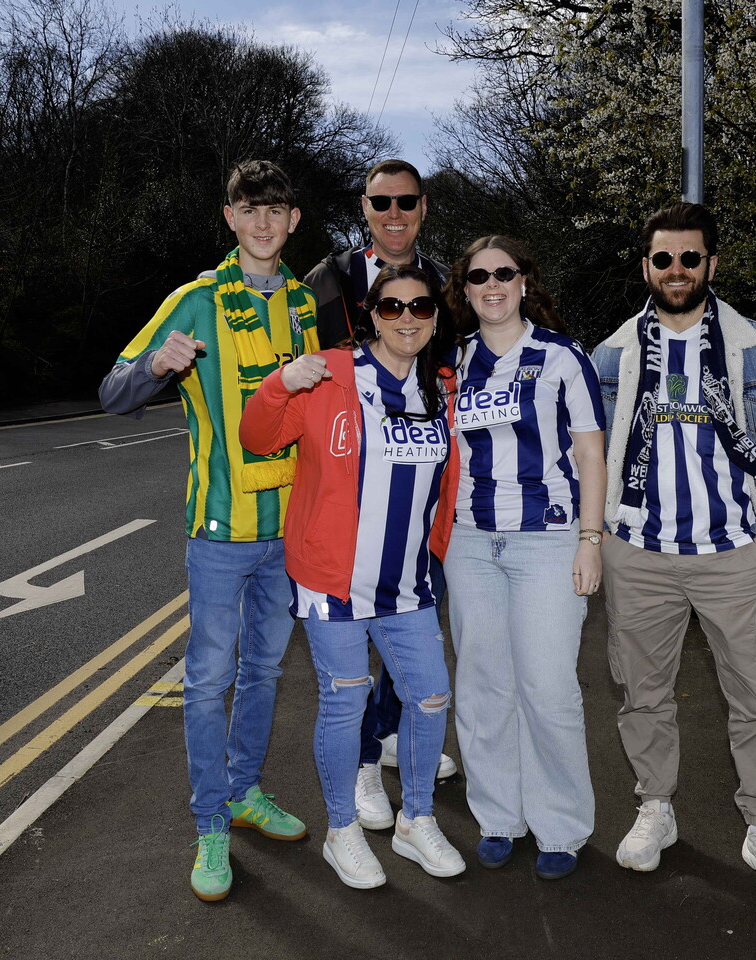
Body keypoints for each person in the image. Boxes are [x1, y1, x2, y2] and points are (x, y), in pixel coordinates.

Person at [592, 202, 756, 903]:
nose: (676, 270)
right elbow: (589, 455)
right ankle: (655, 808)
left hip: (732, 555)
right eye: (663, 259)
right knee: (642, 694)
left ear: (711, 265)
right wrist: (601, 534)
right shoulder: (611, 354)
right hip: (640, 554)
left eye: (689, 258)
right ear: (645, 267)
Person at [99, 160, 314, 903]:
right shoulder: (192, 301)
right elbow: (113, 394)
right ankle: (210, 824)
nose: (261, 221)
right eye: (248, 208)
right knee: (208, 682)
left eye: (274, 209)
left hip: (288, 532)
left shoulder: (305, 304)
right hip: (218, 533)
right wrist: (156, 367)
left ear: (292, 221)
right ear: (229, 218)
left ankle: (247, 792)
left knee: (266, 673)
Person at [241, 264, 465, 889]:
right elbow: (257, 437)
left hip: (407, 584)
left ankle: (416, 820)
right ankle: (342, 831)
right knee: (345, 704)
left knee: (429, 697)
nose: (407, 319)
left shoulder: (442, 385)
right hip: (333, 580)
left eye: (420, 308)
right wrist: (280, 383)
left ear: (435, 316)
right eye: (392, 308)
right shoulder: (331, 372)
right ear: (370, 313)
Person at [443, 235, 607, 881]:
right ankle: (498, 817)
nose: (492, 284)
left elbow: (592, 455)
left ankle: (561, 826)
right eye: (478, 275)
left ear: (523, 280)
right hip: (470, 543)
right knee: (482, 683)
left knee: (547, 686)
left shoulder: (564, 358)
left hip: (548, 541)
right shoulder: (451, 362)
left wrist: (591, 541)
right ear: (465, 289)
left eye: (503, 272)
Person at [304, 159, 457, 834]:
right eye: (381, 202)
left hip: (416, 493)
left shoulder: (447, 285)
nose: (394, 213)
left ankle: (384, 741)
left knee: (411, 634)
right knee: (350, 664)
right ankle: (364, 763)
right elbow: (300, 380)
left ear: (423, 207)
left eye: (406, 202)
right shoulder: (324, 282)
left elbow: (452, 372)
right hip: (344, 496)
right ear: (363, 208)